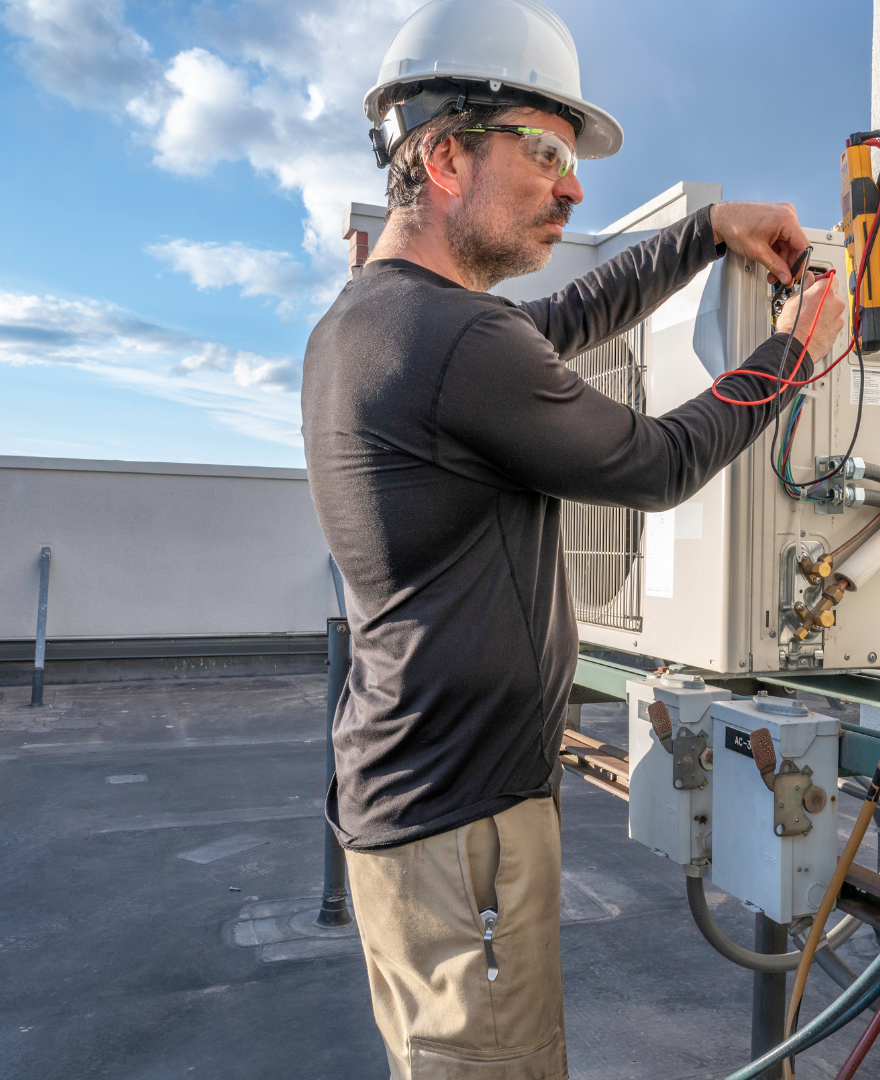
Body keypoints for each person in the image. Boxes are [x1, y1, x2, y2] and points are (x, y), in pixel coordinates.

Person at [301, 2, 845, 1077]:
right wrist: (794, 353)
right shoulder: (450, 341)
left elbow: (568, 322)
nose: (574, 184)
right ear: (448, 155)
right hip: (465, 833)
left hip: (412, 806)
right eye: (545, 151)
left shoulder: (375, 321)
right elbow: (654, 460)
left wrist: (704, 232)